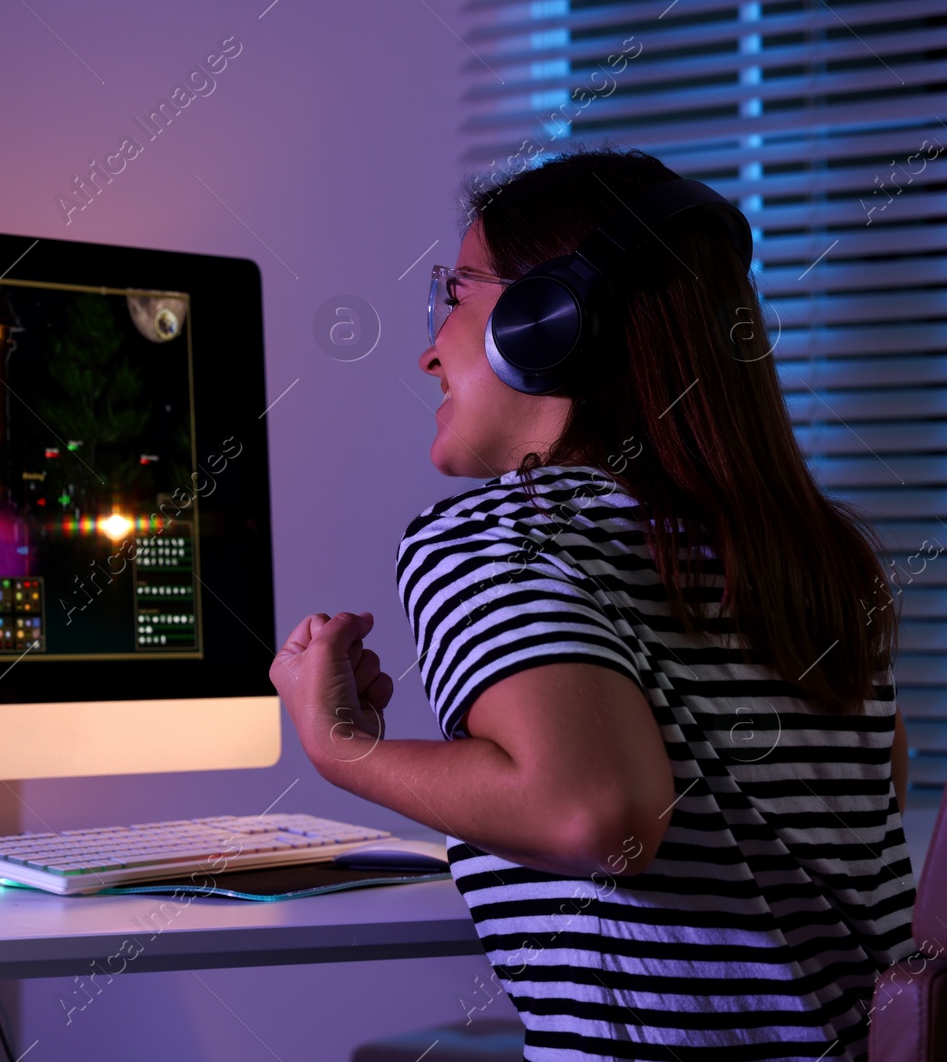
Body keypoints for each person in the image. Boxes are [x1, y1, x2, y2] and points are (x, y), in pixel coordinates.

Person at [269, 146, 917, 1061]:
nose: (427, 350)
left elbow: (593, 814)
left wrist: (346, 746)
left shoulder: (495, 536)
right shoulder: (813, 552)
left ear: (548, 322)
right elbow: (874, 791)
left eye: (455, 296)